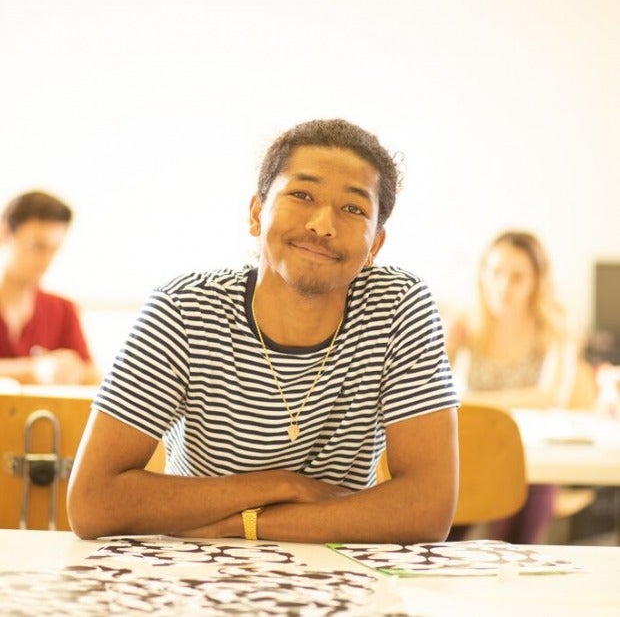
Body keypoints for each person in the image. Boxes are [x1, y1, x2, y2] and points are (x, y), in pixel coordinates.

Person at [67, 118, 459, 543]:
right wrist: (281, 485)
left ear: (375, 246)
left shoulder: (398, 306)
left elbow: (427, 509)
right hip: (196, 576)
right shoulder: (184, 310)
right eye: (302, 195)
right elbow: (92, 502)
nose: (323, 224)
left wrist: (249, 525)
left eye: (353, 209)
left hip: (337, 574)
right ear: (257, 214)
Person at [445, 230, 579, 543]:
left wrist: (475, 400)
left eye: (518, 277)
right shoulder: (463, 326)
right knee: (442, 534)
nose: (504, 286)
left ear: (536, 281)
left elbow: (552, 397)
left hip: (534, 460)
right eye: (496, 273)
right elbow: (430, 388)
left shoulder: (554, 329)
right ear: (482, 275)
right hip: (475, 455)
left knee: (516, 541)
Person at [0, 190, 99, 385]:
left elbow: (94, 376)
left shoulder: (63, 310)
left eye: (54, 249)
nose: (46, 260)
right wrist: (33, 371)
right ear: (4, 233)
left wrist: (72, 370)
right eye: (37, 246)